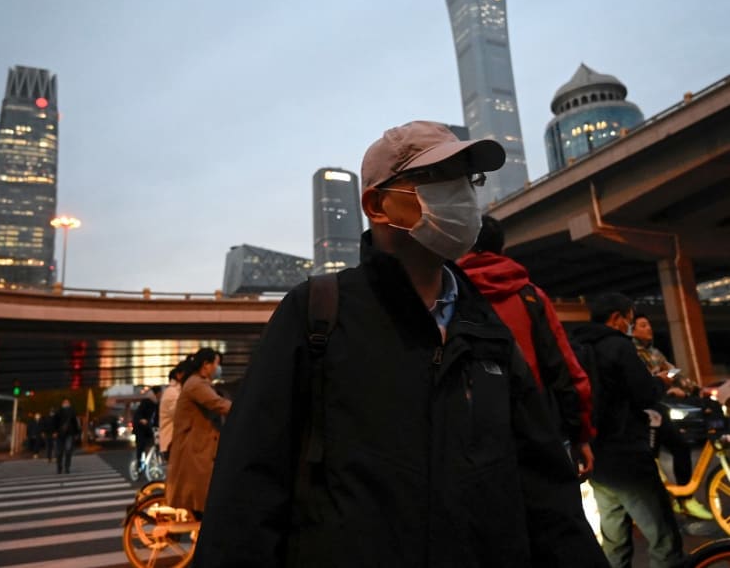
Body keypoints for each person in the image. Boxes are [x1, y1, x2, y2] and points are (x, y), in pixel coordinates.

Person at [194, 120, 606, 567]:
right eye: (435, 179)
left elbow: (545, 490)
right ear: (377, 204)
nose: (463, 196)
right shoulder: (317, 314)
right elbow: (248, 487)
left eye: (467, 180)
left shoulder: (484, 326)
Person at [458, 214, 595, 476]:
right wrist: (581, 434)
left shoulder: (446, 296)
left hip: (470, 438)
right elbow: (566, 370)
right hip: (533, 431)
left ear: (463, 245)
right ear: (502, 249)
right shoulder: (530, 296)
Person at [573, 293, 685, 567]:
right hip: (627, 454)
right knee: (664, 539)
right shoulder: (618, 346)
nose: (630, 327)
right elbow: (644, 394)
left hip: (595, 457)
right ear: (616, 318)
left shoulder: (574, 346)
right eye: (629, 321)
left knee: (615, 542)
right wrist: (660, 382)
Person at [633, 313, 711, 520]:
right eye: (642, 325)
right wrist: (664, 384)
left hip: (658, 409)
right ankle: (652, 507)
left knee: (680, 447)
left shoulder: (655, 353)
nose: (648, 328)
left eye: (648, 324)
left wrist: (698, 390)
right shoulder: (631, 351)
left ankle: (685, 498)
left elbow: (674, 373)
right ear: (633, 329)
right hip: (644, 413)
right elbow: (646, 381)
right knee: (649, 458)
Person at [164, 347, 231, 517]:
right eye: (217, 363)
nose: (218, 368)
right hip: (194, 448)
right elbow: (217, 403)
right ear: (206, 365)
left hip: (199, 445)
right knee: (203, 497)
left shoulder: (199, 383)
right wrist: (244, 408)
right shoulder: (196, 384)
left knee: (203, 496)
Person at [159, 360, 188, 462]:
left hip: (174, 443)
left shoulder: (176, 392)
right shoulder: (172, 393)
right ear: (179, 375)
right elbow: (180, 416)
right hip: (172, 443)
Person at [133, 385, 161, 468]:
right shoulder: (146, 401)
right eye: (160, 393)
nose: (161, 395)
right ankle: (138, 463)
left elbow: (156, 418)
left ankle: (152, 462)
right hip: (141, 428)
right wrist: (142, 419)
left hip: (150, 428)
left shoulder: (157, 403)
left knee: (154, 444)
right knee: (141, 445)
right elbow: (138, 413)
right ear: (156, 393)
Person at [53, 398, 80, 474]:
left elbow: (76, 424)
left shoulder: (73, 412)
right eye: (64, 402)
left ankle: (67, 467)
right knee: (59, 452)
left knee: (68, 451)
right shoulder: (58, 412)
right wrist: (54, 432)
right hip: (59, 434)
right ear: (62, 404)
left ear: (69, 404)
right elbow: (54, 422)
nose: (66, 404)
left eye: (67, 402)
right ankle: (59, 467)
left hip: (69, 434)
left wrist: (76, 433)